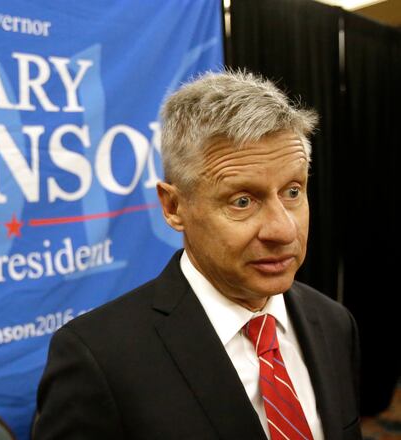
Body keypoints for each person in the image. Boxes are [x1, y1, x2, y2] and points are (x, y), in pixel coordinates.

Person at [33, 71, 361, 440]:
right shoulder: (97, 360)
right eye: (242, 201)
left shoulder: (334, 324)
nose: (283, 230)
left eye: (292, 191)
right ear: (173, 206)